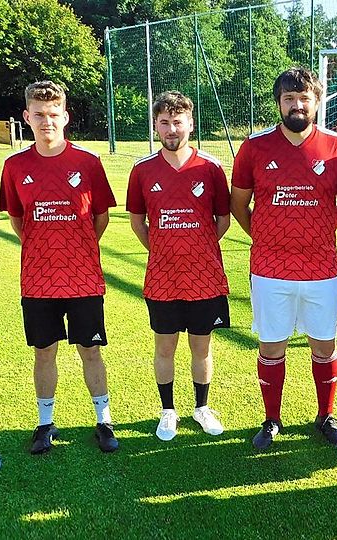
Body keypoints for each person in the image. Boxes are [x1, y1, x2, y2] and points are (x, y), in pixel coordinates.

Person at [231, 66, 337, 450]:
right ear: (279, 103)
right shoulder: (254, 147)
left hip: (320, 268)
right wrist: (267, 237)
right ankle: (271, 420)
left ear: (316, 102)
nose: (297, 105)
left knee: (324, 343)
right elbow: (239, 205)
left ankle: (325, 416)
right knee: (271, 345)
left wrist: (316, 236)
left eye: (304, 98)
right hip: (269, 269)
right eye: (289, 98)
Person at [0, 81, 119, 455]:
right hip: (38, 281)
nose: (46, 121)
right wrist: (43, 248)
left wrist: (77, 246)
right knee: (43, 352)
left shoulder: (88, 163)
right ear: (26, 117)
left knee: (91, 351)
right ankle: (45, 423)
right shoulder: (15, 166)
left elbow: (99, 217)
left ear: (65, 117)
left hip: (83, 278)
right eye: (39, 115)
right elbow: (19, 221)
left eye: (53, 115)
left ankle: (104, 420)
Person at [127, 91, 230, 441]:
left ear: (190, 123)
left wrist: (198, 248)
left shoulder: (210, 167)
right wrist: (161, 249)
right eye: (165, 122)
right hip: (162, 278)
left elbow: (223, 219)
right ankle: (167, 411)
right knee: (165, 346)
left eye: (178, 121)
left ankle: (201, 407)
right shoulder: (142, 170)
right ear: (156, 125)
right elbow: (137, 221)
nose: (172, 128)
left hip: (204, 278)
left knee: (202, 347)